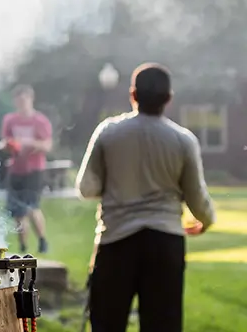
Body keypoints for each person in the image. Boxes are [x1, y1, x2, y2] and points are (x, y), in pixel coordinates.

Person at [76, 63, 216, 332]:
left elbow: (86, 187)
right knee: (162, 324)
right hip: (165, 242)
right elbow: (196, 196)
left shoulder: (108, 132)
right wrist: (206, 221)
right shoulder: (183, 140)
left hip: (116, 240)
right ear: (169, 99)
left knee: (107, 323)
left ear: (133, 95)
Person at [1, 84, 52, 253]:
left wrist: (29, 143)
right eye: (19, 99)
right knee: (18, 211)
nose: (22, 102)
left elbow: (47, 145)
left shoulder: (40, 121)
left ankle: (42, 240)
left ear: (31, 99)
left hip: (34, 170)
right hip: (16, 170)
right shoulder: (10, 120)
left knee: (31, 207)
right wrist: (10, 146)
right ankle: (23, 246)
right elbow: (5, 142)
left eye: (25, 99)